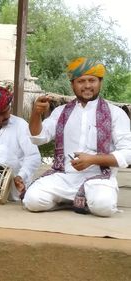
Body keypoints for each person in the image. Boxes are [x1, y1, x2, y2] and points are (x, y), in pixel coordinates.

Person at [23, 57, 131, 217]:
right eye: (81, 81)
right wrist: (36, 113)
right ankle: (76, 199)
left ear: (100, 82)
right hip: (64, 176)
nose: (87, 86)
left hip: (99, 178)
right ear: (72, 84)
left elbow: (127, 153)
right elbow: (38, 137)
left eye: (92, 80)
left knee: (104, 207)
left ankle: (78, 198)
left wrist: (93, 160)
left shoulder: (116, 113)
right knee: (32, 201)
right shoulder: (61, 112)